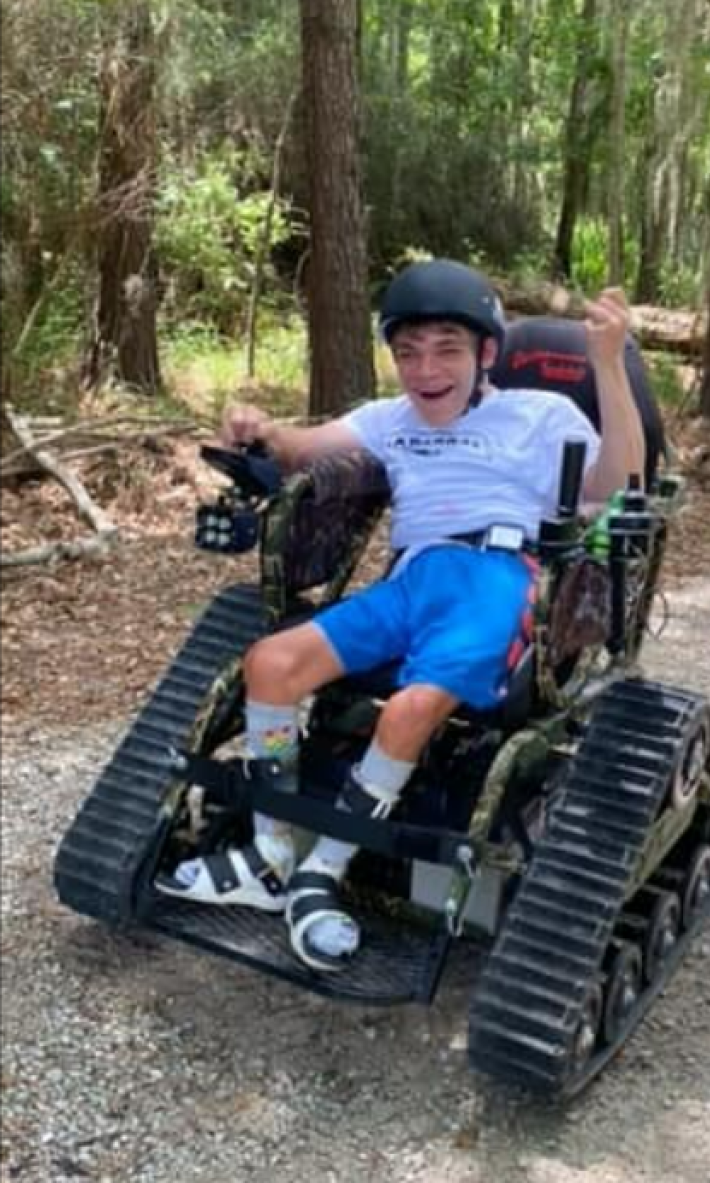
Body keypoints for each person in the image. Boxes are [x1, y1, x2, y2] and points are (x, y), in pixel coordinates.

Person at [157, 259, 647, 974]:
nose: (426, 368)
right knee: (269, 664)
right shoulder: (389, 420)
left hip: (497, 578)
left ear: (486, 354)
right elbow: (299, 447)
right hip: (411, 579)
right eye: (408, 351)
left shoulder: (539, 415)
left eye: (447, 348)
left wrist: (608, 364)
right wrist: (259, 427)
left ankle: (322, 872)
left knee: (408, 710)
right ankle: (270, 858)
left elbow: (620, 484)